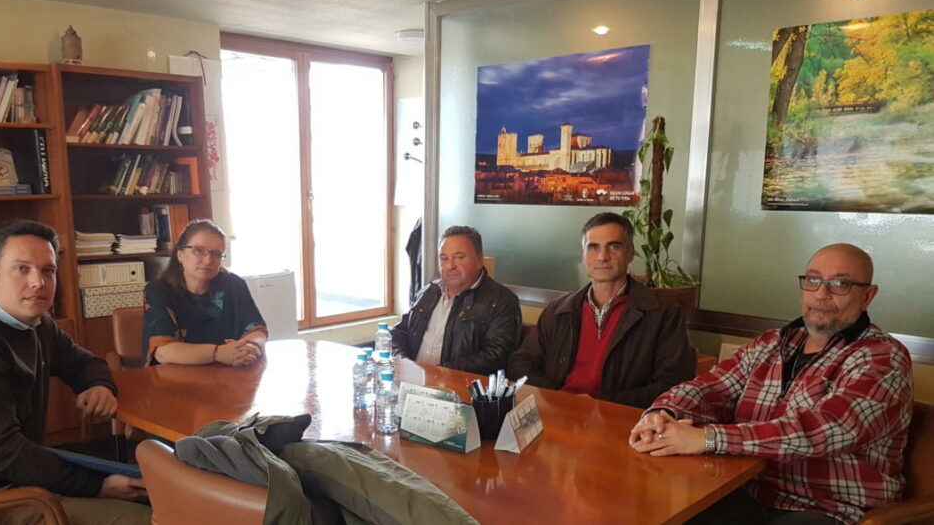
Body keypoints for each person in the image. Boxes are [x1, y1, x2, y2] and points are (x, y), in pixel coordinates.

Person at [629, 243, 913, 525]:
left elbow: (824, 430)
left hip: (828, 507)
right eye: (813, 280)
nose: (821, 294)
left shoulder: (883, 357)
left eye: (840, 284)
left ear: (867, 296)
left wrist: (708, 438)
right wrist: (663, 413)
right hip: (748, 491)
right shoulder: (771, 343)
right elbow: (710, 387)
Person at [0, 220, 151, 524]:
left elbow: (85, 363)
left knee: (159, 494)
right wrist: (98, 486)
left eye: (48, 271)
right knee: (147, 518)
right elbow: (3, 452)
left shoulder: (36, 322)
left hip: (19, 477)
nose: (38, 283)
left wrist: (99, 385)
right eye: (22, 269)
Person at [507, 212, 694, 408]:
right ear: (584, 256)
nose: (603, 257)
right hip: (559, 411)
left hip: (618, 418)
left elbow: (673, 385)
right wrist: (559, 398)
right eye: (593, 247)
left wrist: (598, 405)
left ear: (630, 253)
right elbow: (520, 363)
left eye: (614, 246)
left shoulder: (663, 314)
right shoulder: (558, 310)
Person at [390, 225, 521, 375]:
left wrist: (440, 373)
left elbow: (496, 355)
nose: (450, 266)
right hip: (412, 379)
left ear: (479, 260)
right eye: (444, 258)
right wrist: (404, 362)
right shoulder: (428, 292)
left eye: (459, 257)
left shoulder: (501, 300)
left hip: (457, 385)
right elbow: (399, 332)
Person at [143, 219, 267, 366]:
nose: (208, 260)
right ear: (180, 254)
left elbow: (257, 330)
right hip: (177, 376)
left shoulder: (234, 285)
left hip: (230, 374)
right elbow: (163, 351)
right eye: (199, 251)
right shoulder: (158, 290)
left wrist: (251, 346)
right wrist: (219, 353)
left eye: (216, 254)